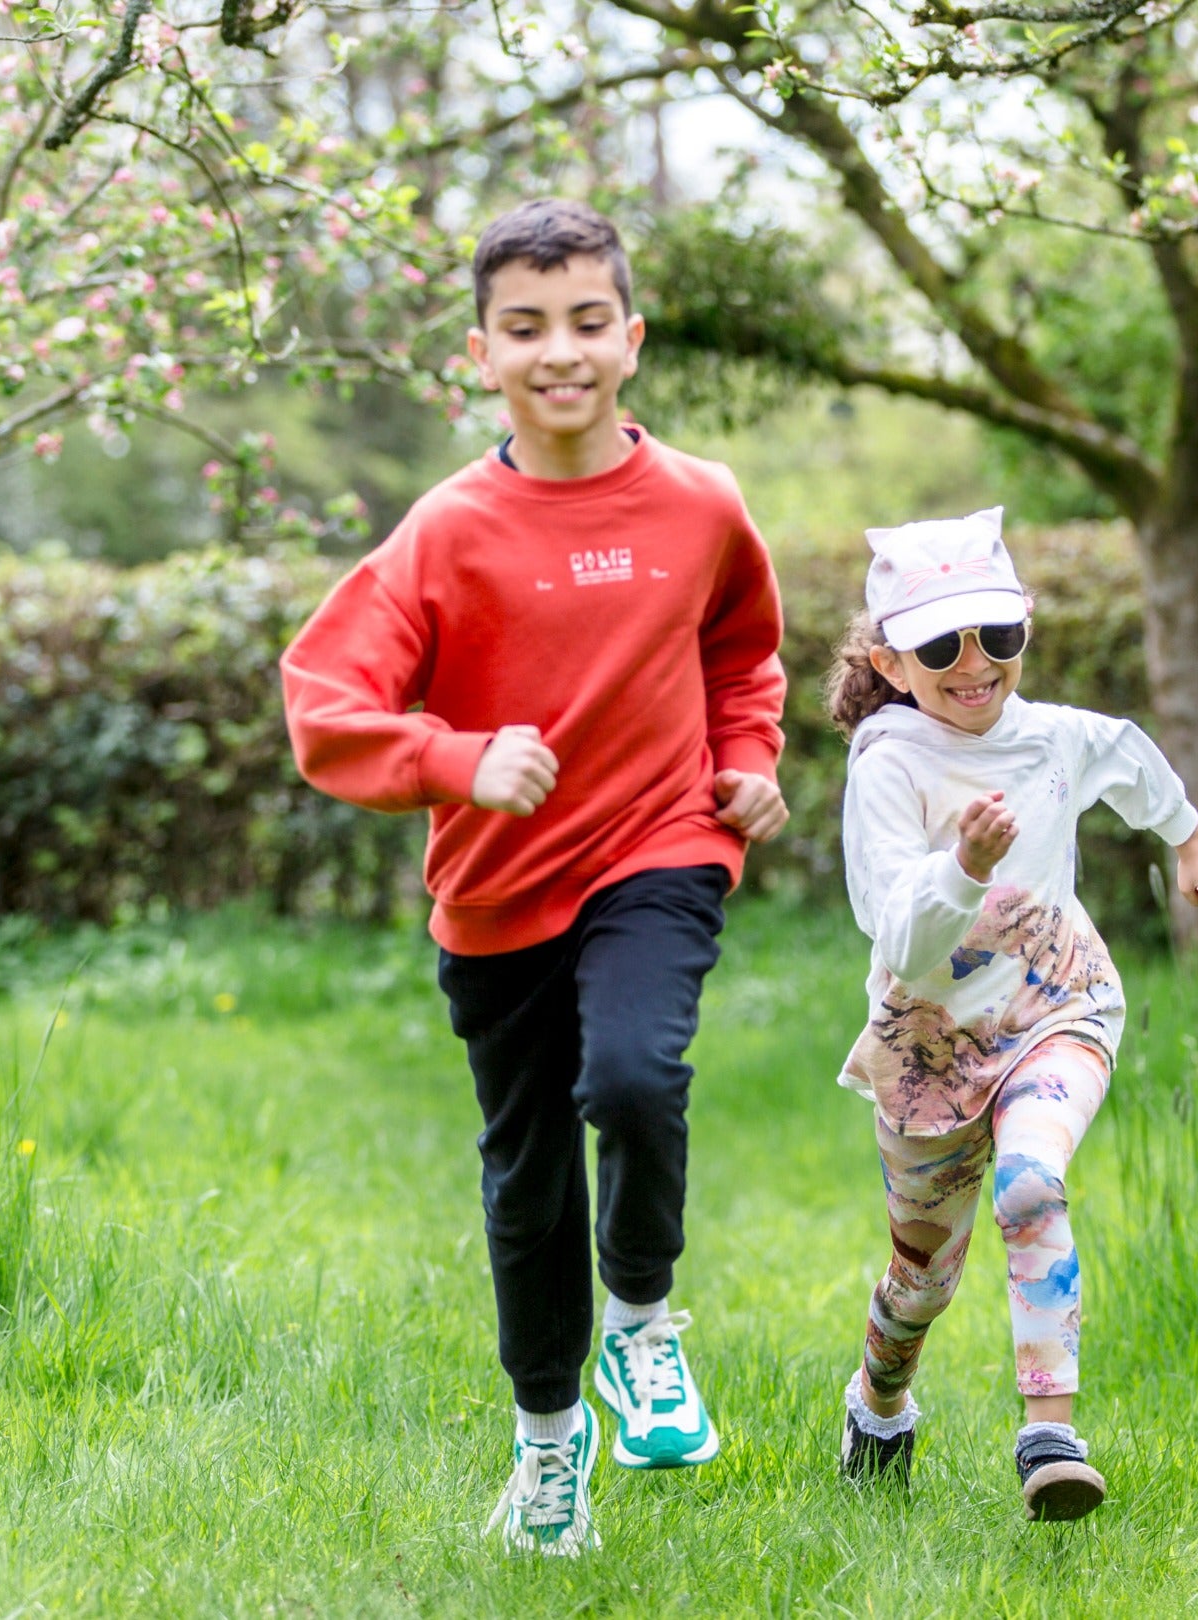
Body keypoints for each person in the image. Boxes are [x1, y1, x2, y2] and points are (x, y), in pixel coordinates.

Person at [280, 199, 789, 1556]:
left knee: (631, 1075)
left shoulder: (700, 505)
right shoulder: (447, 530)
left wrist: (748, 759)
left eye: (583, 322)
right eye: (525, 328)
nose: (558, 350)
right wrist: (454, 761)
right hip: (499, 893)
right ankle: (550, 1448)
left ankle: (642, 1323)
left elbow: (743, 655)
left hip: (658, 848)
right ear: (482, 352)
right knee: (528, 1181)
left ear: (630, 337)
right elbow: (324, 698)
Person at [819, 506, 1198, 1522]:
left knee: (1031, 1181)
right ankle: (878, 1405)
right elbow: (895, 935)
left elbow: (1127, 755)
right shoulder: (888, 767)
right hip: (932, 1045)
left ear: (1025, 631)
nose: (975, 663)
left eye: (996, 635)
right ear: (891, 658)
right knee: (921, 1279)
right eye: (940, 644)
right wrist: (962, 868)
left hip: (1060, 1005)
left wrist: (1189, 840)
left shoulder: (1051, 737)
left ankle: (1050, 1432)